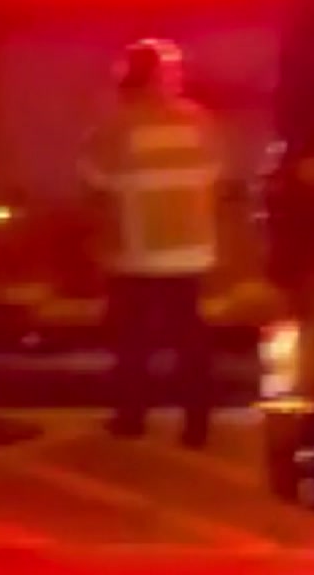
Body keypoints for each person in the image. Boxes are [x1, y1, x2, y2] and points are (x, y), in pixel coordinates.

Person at [78, 38, 224, 448]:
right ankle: (197, 426)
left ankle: (131, 418)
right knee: (190, 340)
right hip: (190, 251)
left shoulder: (117, 126)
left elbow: (93, 180)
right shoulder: (199, 122)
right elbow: (215, 171)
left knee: (132, 341)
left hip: (135, 252)